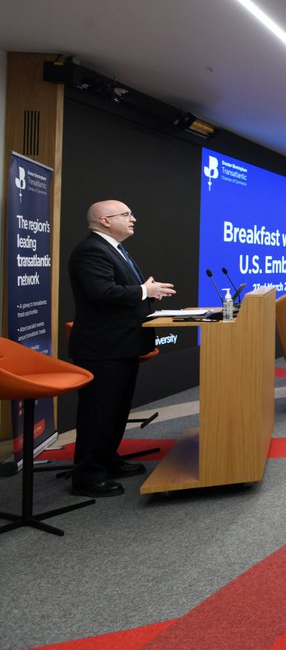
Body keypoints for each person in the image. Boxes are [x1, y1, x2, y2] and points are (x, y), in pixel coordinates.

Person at [67, 200, 175, 497]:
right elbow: (101, 293)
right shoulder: (91, 250)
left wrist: (147, 292)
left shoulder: (115, 249)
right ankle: (87, 476)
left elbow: (120, 291)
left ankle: (108, 460)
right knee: (98, 413)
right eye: (126, 214)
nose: (133, 219)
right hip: (102, 348)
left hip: (122, 345)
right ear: (105, 220)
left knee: (115, 411)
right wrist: (144, 290)